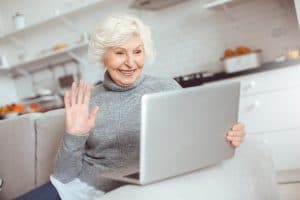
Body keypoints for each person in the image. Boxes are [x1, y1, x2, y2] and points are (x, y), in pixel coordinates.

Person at [16, 14, 245, 200]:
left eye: (137, 51)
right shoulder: (88, 99)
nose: (130, 62)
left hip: (137, 189)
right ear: (103, 57)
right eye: (119, 53)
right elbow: (64, 176)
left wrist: (227, 135)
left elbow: (196, 137)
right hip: (80, 188)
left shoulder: (165, 87)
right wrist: (75, 134)